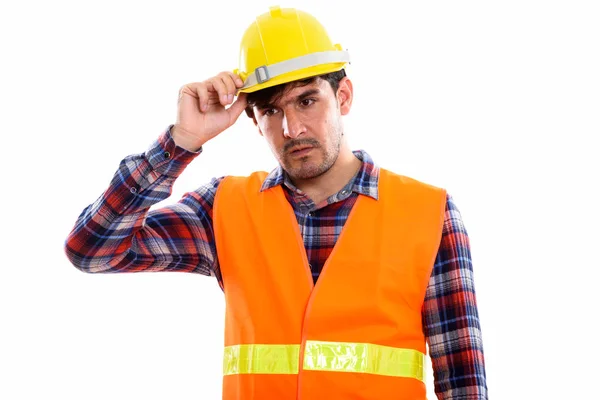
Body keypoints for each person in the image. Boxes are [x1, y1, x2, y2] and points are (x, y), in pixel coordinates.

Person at [64, 5, 487, 400]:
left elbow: (464, 379)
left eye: (307, 100)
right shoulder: (224, 208)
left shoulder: (429, 212)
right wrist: (182, 142)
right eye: (270, 110)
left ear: (343, 97)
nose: (291, 128)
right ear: (252, 119)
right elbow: (92, 249)